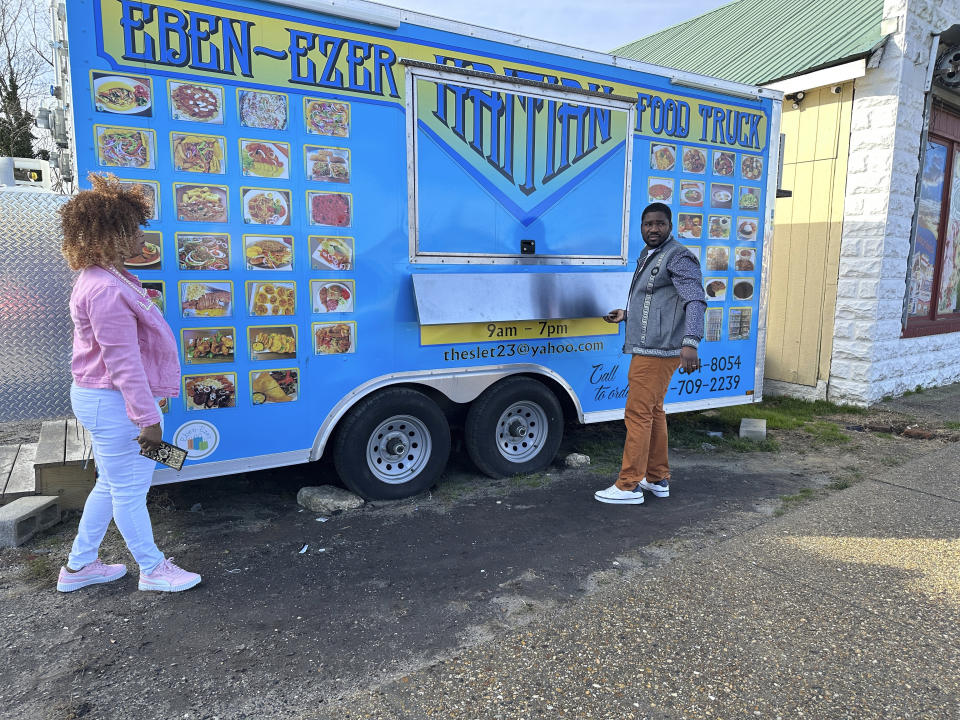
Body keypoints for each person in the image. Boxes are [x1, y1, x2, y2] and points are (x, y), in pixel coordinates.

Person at [56, 173, 201, 592]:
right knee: (130, 488)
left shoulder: (109, 278)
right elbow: (123, 363)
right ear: (109, 235)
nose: (143, 237)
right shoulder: (104, 288)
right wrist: (148, 419)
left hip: (106, 398)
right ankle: (153, 569)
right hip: (113, 400)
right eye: (133, 230)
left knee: (112, 482)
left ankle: (79, 567)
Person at [594, 202, 705, 505]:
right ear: (641, 227)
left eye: (659, 224)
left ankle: (628, 485)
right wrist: (627, 314)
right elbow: (659, 302)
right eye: (647, 224)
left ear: (671, 226)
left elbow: (695, 300)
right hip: (652, 346)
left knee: (638, 414)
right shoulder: (649, 254)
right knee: (653, 413)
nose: (653, 229)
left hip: (657, 352)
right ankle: (657, 478)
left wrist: (691, 341)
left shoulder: (678, 255)